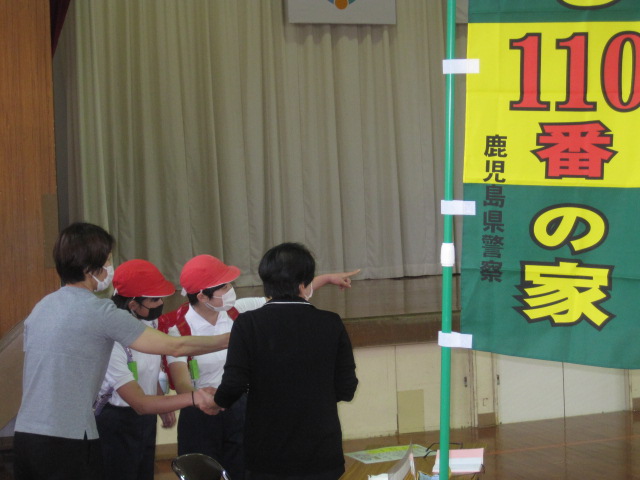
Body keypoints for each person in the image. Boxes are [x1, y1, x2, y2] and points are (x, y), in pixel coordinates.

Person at [13, 222, 229, 480]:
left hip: (26, 436)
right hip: (68, 439)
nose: (109, 268)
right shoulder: (100, 312)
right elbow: (176, 346)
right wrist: (232, 339)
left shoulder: (42, 307)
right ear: (89, 268)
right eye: (107, 261)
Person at [159, 254, 358, 480]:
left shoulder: (238, 311)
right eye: (224, 287)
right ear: (203, 296)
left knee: (240, 468)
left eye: (230, 284)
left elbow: (288, 293)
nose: (231, 290)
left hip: (237, 404)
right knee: (203, 472)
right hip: (200, 409)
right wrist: (206, 401)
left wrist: (328, 278)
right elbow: (182, 383)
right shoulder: (177, 326)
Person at [213, 242, 358, 480]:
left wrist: (218, 402)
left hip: (267, 451)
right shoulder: (331, 322)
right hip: (321, 449)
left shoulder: (248, 324)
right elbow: (347, 388)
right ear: (304, 284)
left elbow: (234, 383)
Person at [95, 259, 223, 480]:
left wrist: (161, 400)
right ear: (133, 305)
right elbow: (139, 402)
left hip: (144, 417)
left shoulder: (149, 322)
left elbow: (147, 369)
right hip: (117, 420)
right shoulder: (112, 340)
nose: (161, 303)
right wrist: (195, 397)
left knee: (144, 471)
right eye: (154, 299)